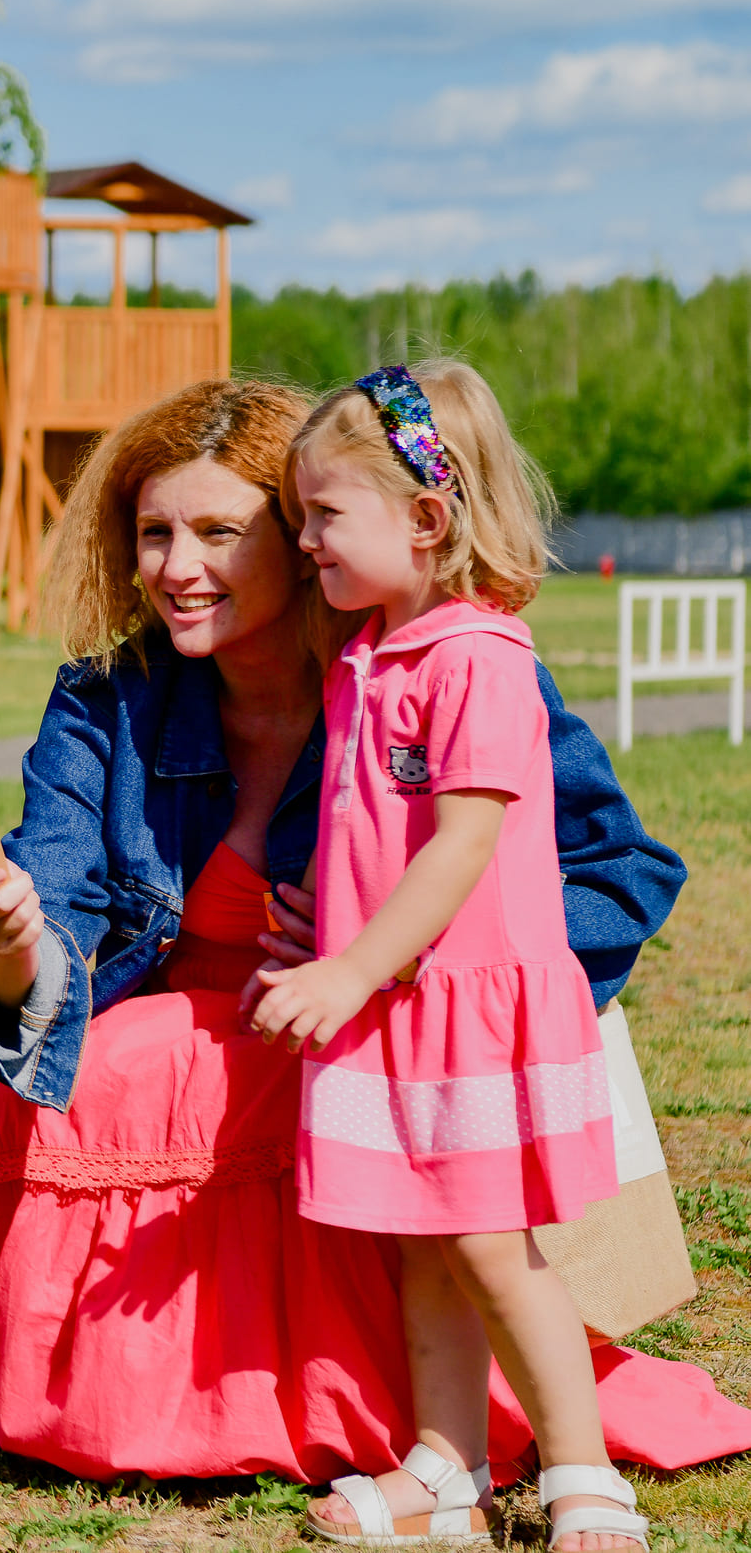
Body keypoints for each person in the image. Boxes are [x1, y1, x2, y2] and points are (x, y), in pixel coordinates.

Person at [0, 379, 751, 1490]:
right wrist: (6, 940)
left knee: (296, 1072)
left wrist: (407, 953)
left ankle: (399, 1421)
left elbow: (616, 867)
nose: (177, 566)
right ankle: (149, 1402)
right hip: (194, 1031)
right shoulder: (107, 699)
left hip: (376, 1028)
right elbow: (60, 913)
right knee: (103, 1070)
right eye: (153, 533)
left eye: (221, 531)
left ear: (309, 528)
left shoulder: (428, 668)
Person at [252, 362, 640, 1549]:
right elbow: (389, 828)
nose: (301, 537)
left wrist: (347, 968)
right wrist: (330, 911)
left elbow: (466, 842)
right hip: (401, 997)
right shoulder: (376, 651)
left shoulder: (479, 656)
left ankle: (583, 1470)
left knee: (485, 1239)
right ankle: (446, 1459)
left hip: (460, 1003)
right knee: (418, 1230)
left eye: (323, 514)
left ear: (426, 517)